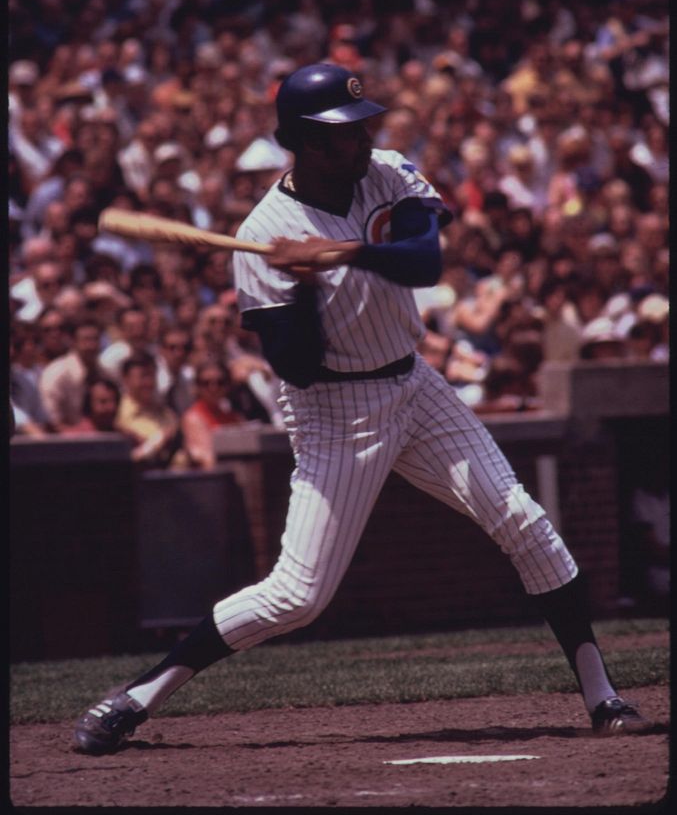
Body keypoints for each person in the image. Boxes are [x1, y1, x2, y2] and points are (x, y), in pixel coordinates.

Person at [74, 62, 652, 755]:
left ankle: (600, 693)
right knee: (298, 597)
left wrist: (344, 251)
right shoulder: (264, 235)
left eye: (360, 127)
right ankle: (138, 696)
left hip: (417, 383)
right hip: (335, 411)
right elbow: (295, 365)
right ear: (301, 143)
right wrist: (308, 288)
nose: (361, 139)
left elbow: (423, 259)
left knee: (523, 522)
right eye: (341, 134)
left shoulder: (383, 170)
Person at [181, 360, 245, 469]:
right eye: (206, 383)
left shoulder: (235, 417)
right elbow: (208, 460)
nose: (213, 388)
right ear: (197, 386)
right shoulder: (194, 417)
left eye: (220, 382)